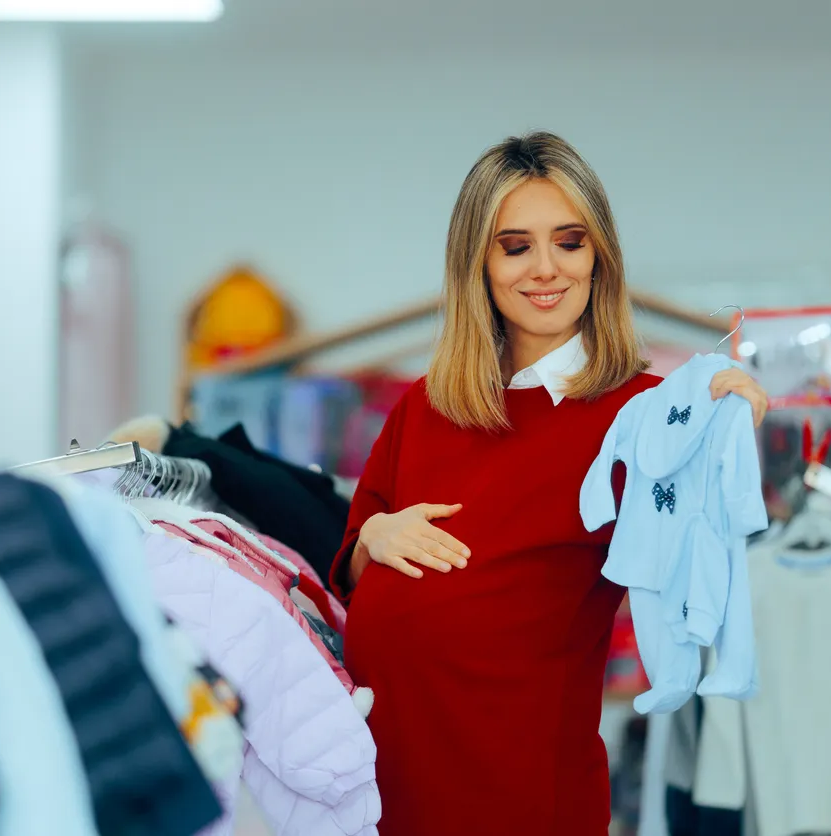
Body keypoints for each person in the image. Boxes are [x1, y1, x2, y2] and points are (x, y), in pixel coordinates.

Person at [328, 131, 769, 835]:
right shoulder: (424, 403)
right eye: (515, 245)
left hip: (521, 791)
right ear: (478, 261)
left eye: (569, 241)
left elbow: (703, 545)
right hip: (384, 781)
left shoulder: (644, 414)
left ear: (600, 258)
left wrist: (720, 427)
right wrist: (375, 534)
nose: (545, 269)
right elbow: (349, 566)